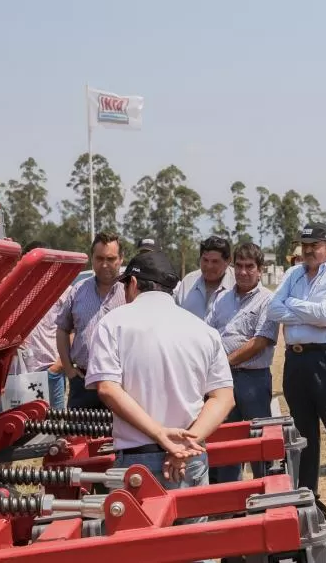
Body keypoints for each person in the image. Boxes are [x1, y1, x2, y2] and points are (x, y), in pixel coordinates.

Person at [85, 249, 234, 539]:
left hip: (138, 462)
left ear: (133, 284)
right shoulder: (202, 330)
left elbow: (107, 388)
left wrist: (160, 435)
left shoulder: (113, 324)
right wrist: (188, 442)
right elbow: (223, 396)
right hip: (189, 460)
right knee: (194, 549)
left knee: (139, 551)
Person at [267, 222, 326, 527]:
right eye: (304, 245)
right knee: (303, 434)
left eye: (314, 245)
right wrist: (307, 312)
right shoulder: (293, 274)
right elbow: (272, 309)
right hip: (296, 360)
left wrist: (294, 308)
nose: (307, 250)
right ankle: (308, 496)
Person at [205, 242, 280, 483]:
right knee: (227, 444)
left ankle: (265, 493)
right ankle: (230, 504)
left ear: (260, 269)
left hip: (253, 382)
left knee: (259, 443)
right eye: (239, 266)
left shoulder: (268, 300)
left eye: (250, 266)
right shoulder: (222, 298)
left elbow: (260, 341)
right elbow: (208, 333)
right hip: (222, 382)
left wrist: (224, 362)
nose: (243, 272)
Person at [56, 231, 126, 409]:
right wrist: (69, 370)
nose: (104, 265)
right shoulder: (78, 290)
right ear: (92, 259)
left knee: (117, 436)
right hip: (82, 383)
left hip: (121, 385)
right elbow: (63, 329)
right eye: (99, 258)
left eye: (110, 259)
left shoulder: (130, 292)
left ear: (121, 259)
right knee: (78, 436)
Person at [7, 240, 69, 410]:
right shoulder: (14, 290)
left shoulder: (62, 290)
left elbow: (73, 329)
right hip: (20, 372)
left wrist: (58, 366)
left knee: (56, 425)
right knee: (21, 424)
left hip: (50, 371)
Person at [174, 236, 236, 320]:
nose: (209, 266)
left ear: (228, 261)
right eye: (205, 260)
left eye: (215, 261)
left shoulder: (238, 283)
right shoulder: (188, 282)